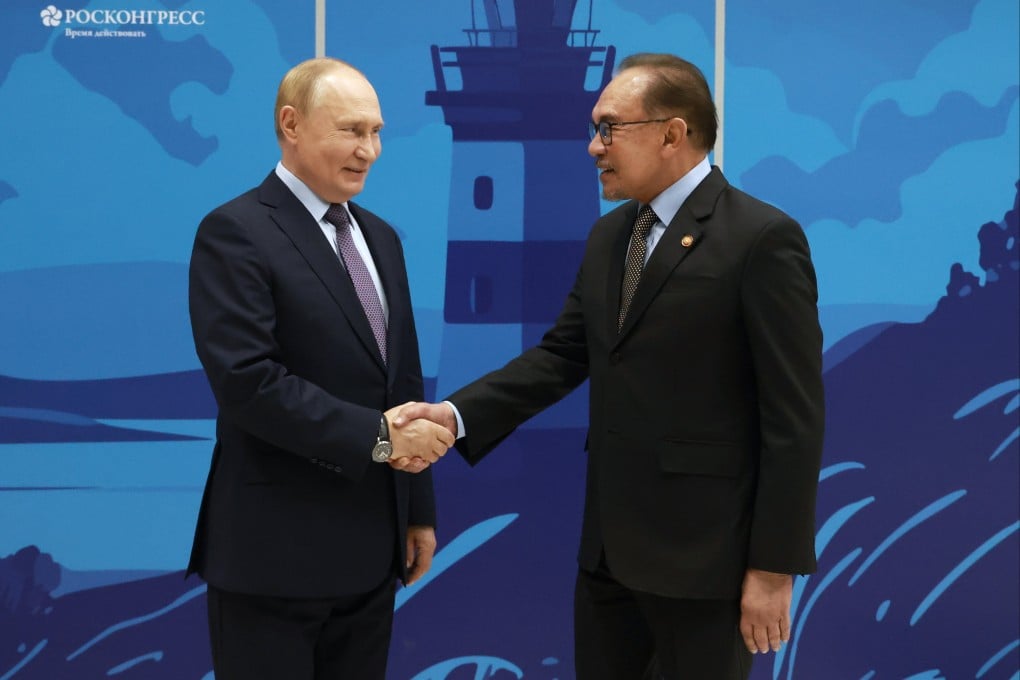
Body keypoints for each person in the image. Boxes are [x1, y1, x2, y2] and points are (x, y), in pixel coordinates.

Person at [393, 53, 825, 679]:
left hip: (708, 566)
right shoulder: (610, 237)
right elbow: (563, 356)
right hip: (609, 558)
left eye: (609, 128)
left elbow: (795, 419)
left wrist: (772, 568)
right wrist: (454, 416)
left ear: (672, 133)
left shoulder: (761, 239)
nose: (594, 147)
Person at [186, 57, 454, 680]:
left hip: (371, 555)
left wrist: (417, 509)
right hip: (273, 560)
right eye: (351, 131)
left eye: (377, 132)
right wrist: (382, 439)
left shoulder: (381, 237)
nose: (371, 150)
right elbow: (248, 382)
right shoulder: (235, 232)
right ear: (291, 125)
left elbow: (402, 381)